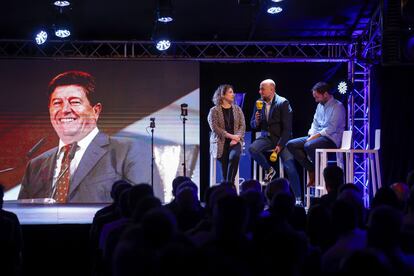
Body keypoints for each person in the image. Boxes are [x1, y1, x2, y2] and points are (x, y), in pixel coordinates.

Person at [18, 70, 145, 203]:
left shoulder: (127, 151)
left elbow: (140, 208)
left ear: (95, 110)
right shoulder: (35, 165)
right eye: (57, 103)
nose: (65, 110)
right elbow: (22, 213)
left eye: (75, 102)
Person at [248, 79, 301, 201]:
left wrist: (280, 145)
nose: (259, 91)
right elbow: (252, 124)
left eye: (262, 89)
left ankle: (298, 198)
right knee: (252, 149)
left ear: (272, 89)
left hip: (283, 139)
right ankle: (269, 169)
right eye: (260, 88)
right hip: (267, 137)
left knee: (290, 167)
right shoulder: (258, 103)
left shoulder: (283, 102)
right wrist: (256, 121)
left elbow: (287, 128)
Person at [287, 81, 346, 187]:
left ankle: (319, 174)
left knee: (308, 145)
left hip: (331, 139)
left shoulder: (338, 106)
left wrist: (314, 137)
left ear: (326, 94)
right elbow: (315, 123)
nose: (316, 100)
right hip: (317, 137)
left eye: (317, 97)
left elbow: (331, 129)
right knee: (291, 144)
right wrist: (311, 135)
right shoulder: (320, 106)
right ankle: (312, 169)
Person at [208, 84, 246, 185]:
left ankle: (229, 184)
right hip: (220, 142)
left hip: (235, 142)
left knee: (234, 157)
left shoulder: (237, 109)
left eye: (233, 92)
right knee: (225, 173)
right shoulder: (214, 111)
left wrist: (236, 138)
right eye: (230, 92)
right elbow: (215, 128)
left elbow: (242, 126)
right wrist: (231, 136)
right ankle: (228, 185)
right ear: (222, 95)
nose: (233, 94)